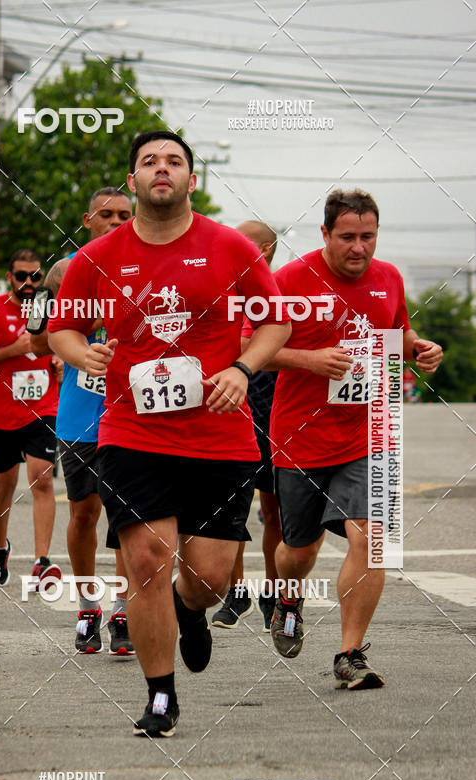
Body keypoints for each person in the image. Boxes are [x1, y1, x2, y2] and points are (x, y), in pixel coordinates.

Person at [48, 131, 291, 737]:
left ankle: (192, 611)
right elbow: (62, 330)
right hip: (131, 432)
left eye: (174, 161)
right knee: (147, 560)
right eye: (149, 161)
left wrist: (241, 367)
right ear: (133, 181)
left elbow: (276, 323)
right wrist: (84, 355)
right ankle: (161, 695)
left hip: (218, 436)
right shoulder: (96, 257)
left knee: (206, 578)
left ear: (191, 178)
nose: (163, 169)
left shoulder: (232, 248)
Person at [267, 189, 442, 688]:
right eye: (347, 237)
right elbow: (244, 345)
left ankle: (350, 654)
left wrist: (421, 349)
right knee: (299, 551)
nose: (359, 248)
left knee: (375, 540)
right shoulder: (288, 281)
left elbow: (398, 335)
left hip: (372, 430)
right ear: (325, 234)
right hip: (301, 433)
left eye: (368, 236)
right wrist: (308, 359)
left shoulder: (388, 278)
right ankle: (288, 598)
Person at [33, 188, 134, 655]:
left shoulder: (153, 262)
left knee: (131, 521)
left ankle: (125, 611)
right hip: (80, 414)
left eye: (124, 214)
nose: (116, 221)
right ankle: (88, 605)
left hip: (136, 412)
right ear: (87, 219)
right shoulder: (63, 270)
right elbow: (40, 343)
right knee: (84, 512)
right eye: (106, 214)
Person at [0, 249, 62, 588]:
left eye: (35, 276)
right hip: (1, 413)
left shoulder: (46, 308)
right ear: (9, 277)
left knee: (43, 479)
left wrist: (58, 361)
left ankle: (41, 562)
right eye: (21, 276)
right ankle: (0, 547)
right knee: (5, 486)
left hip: (43, 409)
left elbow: (62, 343)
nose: (28, 283)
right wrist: (11, 349)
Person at [211, 220, 282, 632]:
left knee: (273, 508)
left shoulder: (281, 289)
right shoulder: (220, 287)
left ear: (267, 248)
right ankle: (236, 593)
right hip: (229, 405)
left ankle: (273, 590)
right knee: (233, 508)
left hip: (273, 404)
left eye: (243, 241)